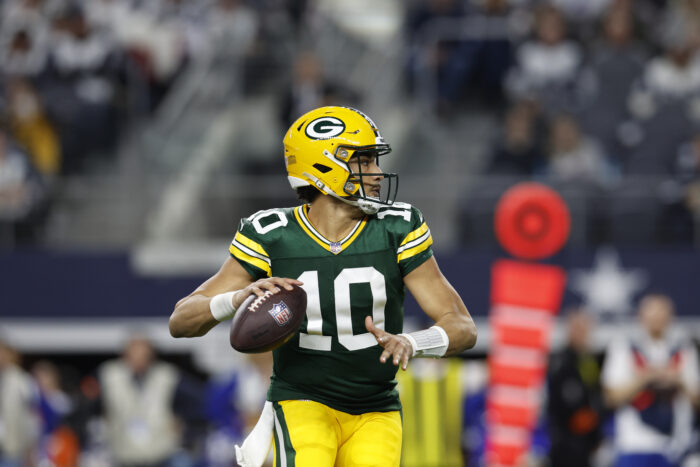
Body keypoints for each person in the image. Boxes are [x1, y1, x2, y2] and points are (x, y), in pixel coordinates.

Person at [169, 105, 478, 467]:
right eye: (364, 161)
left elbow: (462, 327)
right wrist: (236, 299)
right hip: (302, 401)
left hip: (376, 409)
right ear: (323, 166)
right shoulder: (272, 234)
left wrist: (413, 342)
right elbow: (180, 321)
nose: (377, 173)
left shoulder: (397, 226)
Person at [602, 294, 700, 467]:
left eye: (662, 315)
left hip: (675, 445)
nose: (657, 320)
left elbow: (696, 399)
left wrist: (679, 381)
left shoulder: (684, 348)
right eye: (652, 315)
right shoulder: (624, 347)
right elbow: (611, 398)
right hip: (635, 444)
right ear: (640, 316)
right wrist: (646, 377)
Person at [547, 307, 605, 467]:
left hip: (587, 443)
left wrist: (596, 427)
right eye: (577, 328)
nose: (582, 333)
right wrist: (584, 418)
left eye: (585, 329)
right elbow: (560, 401)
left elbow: (597, 395)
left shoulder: (590, 360)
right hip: (565, 442)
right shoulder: (559, 361)